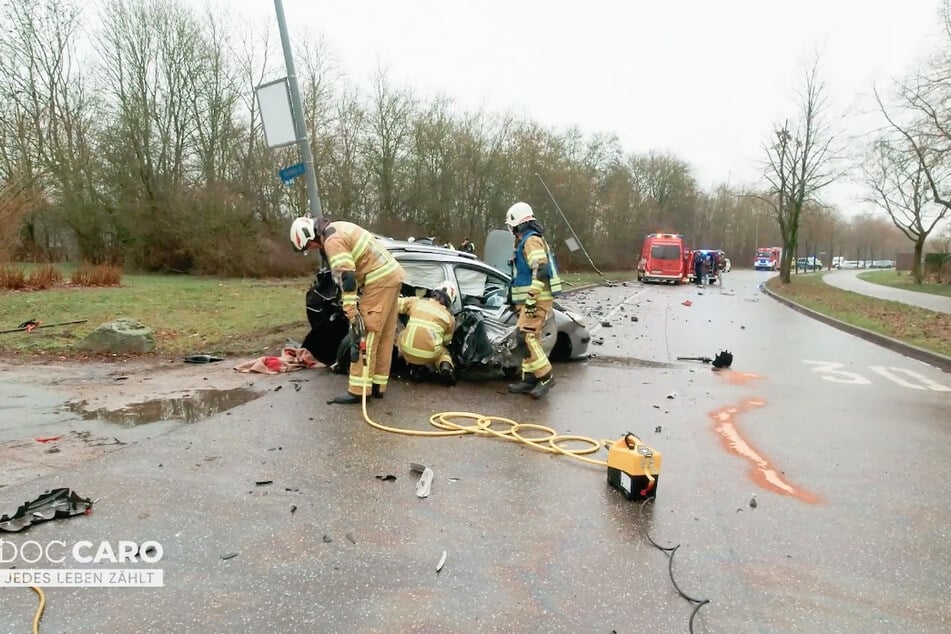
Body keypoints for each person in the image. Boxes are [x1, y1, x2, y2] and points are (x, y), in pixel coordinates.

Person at [290, 216, 405, 404]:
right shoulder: (339, 227)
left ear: (309, 237)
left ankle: (359, 390)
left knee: (363, 333)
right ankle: (377, 386)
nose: (312, 249)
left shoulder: (332, 240)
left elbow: (348, 276)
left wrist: (350, 309)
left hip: (379, 281)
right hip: (392, 276)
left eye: (308, 246)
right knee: (383, 335)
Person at [504, 202, 562, 399]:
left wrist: (530, 299)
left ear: (517, 223)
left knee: (526, 338)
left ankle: (545, 376)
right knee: (529, 339)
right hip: (529, 302)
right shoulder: (525, 241)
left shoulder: (531, 241)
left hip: (535, 302)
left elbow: (541, 270)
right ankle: (529, 379)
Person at [396, 281, 458, 386]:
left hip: (407, 349)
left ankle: (406, 364)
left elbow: (395, 304)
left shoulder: (416, 302)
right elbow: (446, 341)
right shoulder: (449, 317)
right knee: (443, 351)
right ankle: (445, 367)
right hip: (430, 354)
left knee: (402, 334)